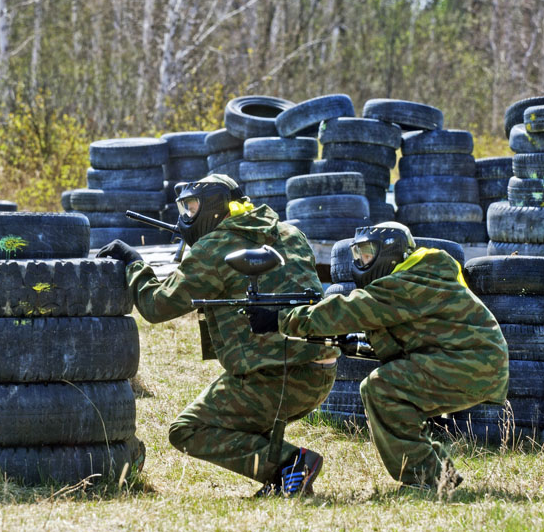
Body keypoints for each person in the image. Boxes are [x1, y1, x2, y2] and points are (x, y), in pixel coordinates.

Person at [97, 174, 337, 496]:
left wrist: (134, 263)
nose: (186, 217)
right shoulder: (290, 233)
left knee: (188, 429)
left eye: (192, 208)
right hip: (321, 372)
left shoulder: (215, 247)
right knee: (228, 416)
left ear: (214, 208)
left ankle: (291, 464)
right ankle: (284, 477)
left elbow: (157, 306)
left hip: (274, 377)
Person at [249, 222, 508, 491]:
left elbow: (351, 309)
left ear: (390, 252)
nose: (361, 261)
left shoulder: (410, 281)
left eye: (367, 253)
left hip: (473, 365)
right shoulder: (416, 276)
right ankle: (442, 478)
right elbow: (410, 334)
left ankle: (425, 480)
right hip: (470, 362)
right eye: (357, 254)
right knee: (394, 393)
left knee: (381, 389)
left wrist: (279, 319)